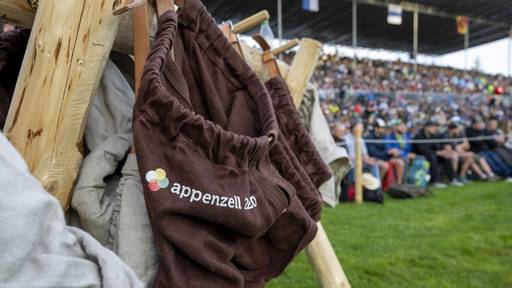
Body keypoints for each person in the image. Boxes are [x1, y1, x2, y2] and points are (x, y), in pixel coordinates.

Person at [413, 119, 461, 188]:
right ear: (426, 127)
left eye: (435, 126)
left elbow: (437, 147)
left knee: (445, 157)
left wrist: (443, 151)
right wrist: (437, 152)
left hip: (432, 154)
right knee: (433, 157)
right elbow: (422, 150)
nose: (435, 128)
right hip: (421, 155)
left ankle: (452, 179)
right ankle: (434, 181)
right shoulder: (419, 136)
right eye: (433, 126)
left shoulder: (434, 135)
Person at [366, 118, 406, 184]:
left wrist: (392, 151)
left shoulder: (383, 136)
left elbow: (386, 148)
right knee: (384, 165)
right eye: (381, 128)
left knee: (400, 162)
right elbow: (373, 153)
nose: (383, 129)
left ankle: (399, 184)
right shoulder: (370, 137)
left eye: (383, 128)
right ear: (376, 128)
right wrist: (387, 152)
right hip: (375, 158)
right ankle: (378, 185)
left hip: (384, 157)